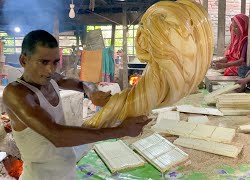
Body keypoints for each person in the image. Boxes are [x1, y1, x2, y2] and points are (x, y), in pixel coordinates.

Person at [3, 30, 151, 179]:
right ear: (23, 60)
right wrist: (122, 130)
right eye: (44, 62)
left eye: (55, 62)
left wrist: (92, 92)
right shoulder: (16, 93)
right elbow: (56, 135)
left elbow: (82, 83)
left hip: (67, 173)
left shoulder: (50, 78)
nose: (50, 69)